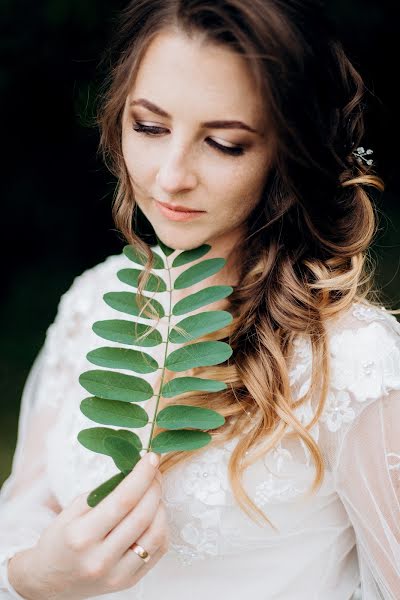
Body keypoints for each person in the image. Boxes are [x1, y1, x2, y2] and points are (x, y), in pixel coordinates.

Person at [1, 0, 399, 598]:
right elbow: (22, 517)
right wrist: (36, 576)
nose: (170, 175)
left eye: (224, 143)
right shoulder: (96, 300)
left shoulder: (351, 361)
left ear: (289, 154)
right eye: (151, 127)